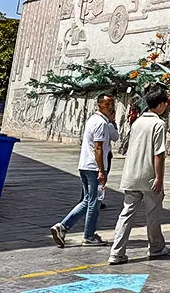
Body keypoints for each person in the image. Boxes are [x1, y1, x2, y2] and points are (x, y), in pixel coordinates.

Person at [108, 86, 170, 265]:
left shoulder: (137, 122)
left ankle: (116, 253)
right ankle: (156, 247)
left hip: (131, 174)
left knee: (126, 214)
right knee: (153, 214)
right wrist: (159, 177)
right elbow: (158, 153)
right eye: (165, 103)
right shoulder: (158, 124)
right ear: (160, 104)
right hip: (148, 175)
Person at [50, 93, 116, 248]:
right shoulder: (100, 123)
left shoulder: (95, 120)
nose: (111, 107)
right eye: (107, 104)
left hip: (85, 166)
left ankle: (63, 227)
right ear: (99, 105)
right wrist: (101, 170)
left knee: (87, 200)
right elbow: (98, 148)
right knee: (95, 201)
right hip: (94, 167)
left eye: (112, 103)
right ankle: (89, 235)